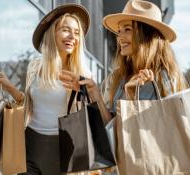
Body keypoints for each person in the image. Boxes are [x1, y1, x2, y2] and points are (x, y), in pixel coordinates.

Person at [60, 0, 187, 173]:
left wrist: (130, 97)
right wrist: (95, 93)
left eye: (127, 29)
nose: (119, 37)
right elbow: (113, 128)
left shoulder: (163, 78)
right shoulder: (120, 77)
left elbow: (161, 132)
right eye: (119, 31)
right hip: (120, 167)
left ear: (146, 34)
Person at [0, 3, 95, 175]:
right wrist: (10, 88)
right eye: (65, 29)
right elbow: (30, 104)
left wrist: (85, 89)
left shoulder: (82, 72)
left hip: (63, 150)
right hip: (30, 143)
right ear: (52, 33)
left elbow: (89, 114)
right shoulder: (35, 66)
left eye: (76, 32)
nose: (72, 36)